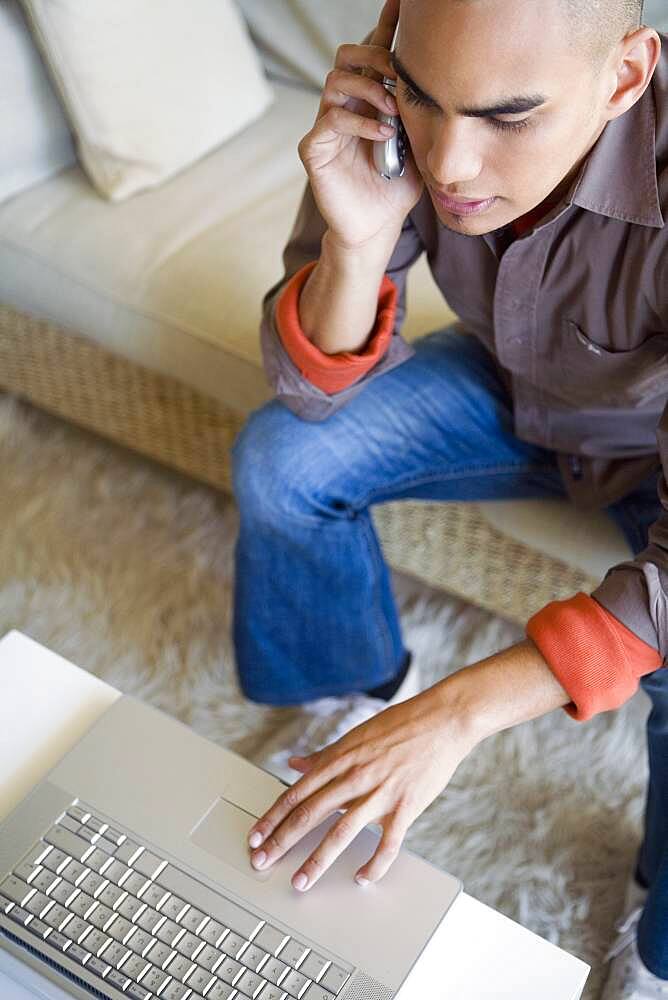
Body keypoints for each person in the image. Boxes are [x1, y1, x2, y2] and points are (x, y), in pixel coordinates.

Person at [231, 0, 667, 993]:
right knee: (281, 461)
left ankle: (661, 940)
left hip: (652, 445)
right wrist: (354, 237)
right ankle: (353, 688)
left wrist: (456, 711)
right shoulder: (393, 112)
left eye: (506, 117)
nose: (449, 164)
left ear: (624, 77)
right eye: (422, 98)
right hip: (512, 390)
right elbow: (307, 387)